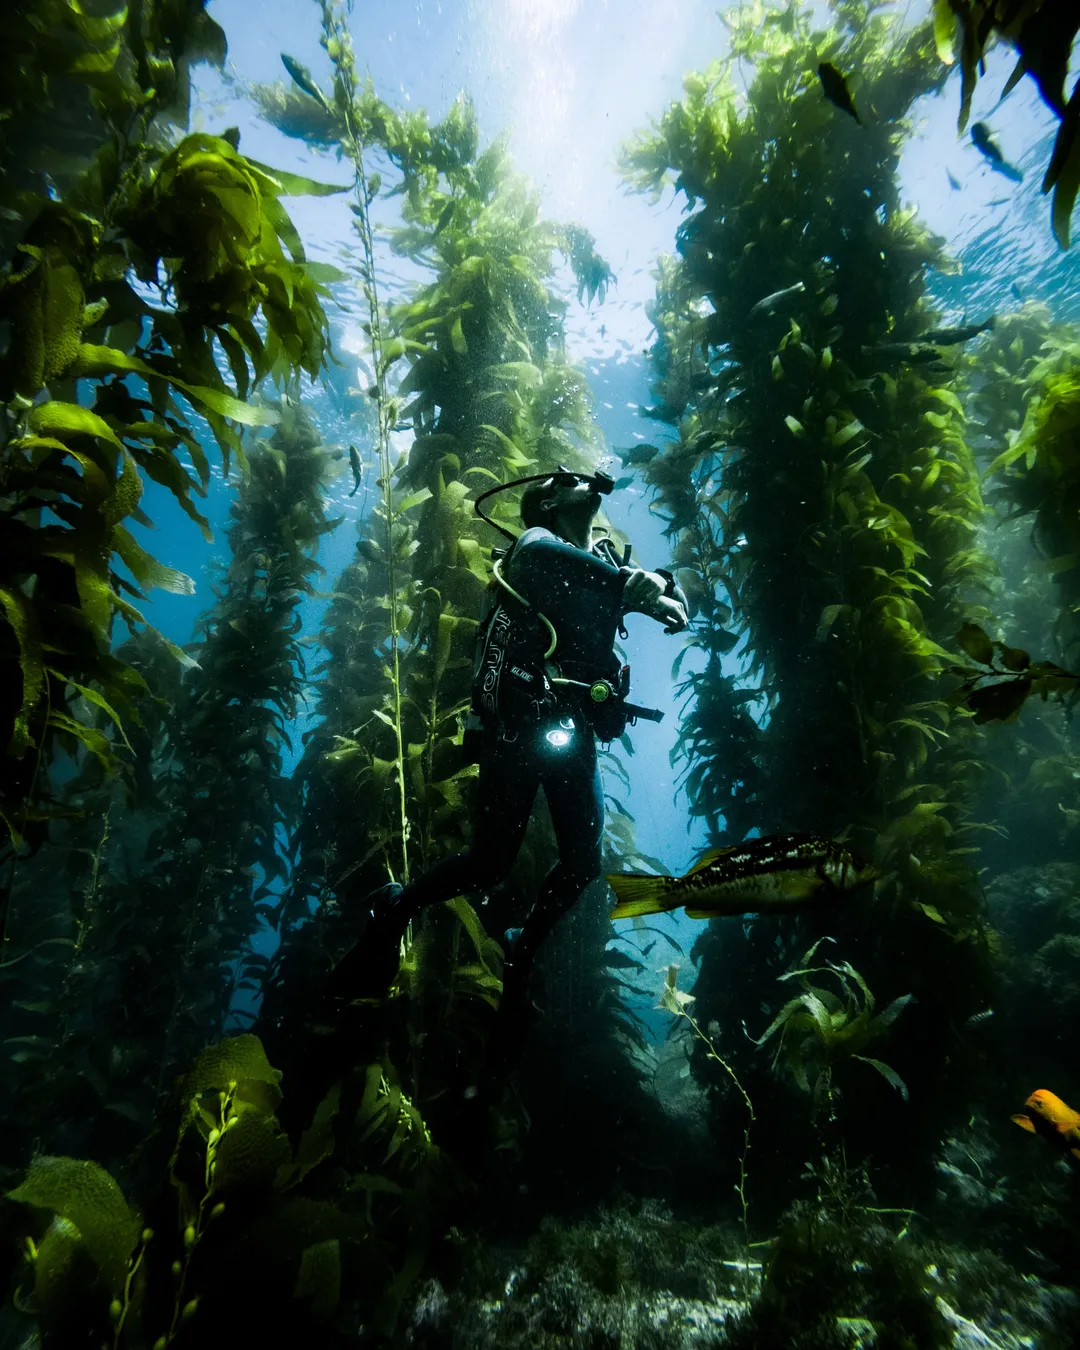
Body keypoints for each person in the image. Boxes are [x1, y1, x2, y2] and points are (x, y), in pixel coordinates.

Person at [328, 471, 688, 1020]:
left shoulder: (609, 561)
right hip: (516, 729)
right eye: (566, 480)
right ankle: (394, 909)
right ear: (547, 501)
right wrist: (631, 586)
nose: (582, 480)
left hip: (571, 727)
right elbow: (541, 563)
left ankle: (523, 947)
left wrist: (666, 588)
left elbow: (659, 592)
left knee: (582, 862)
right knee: (490, 862)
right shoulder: (538, 542)